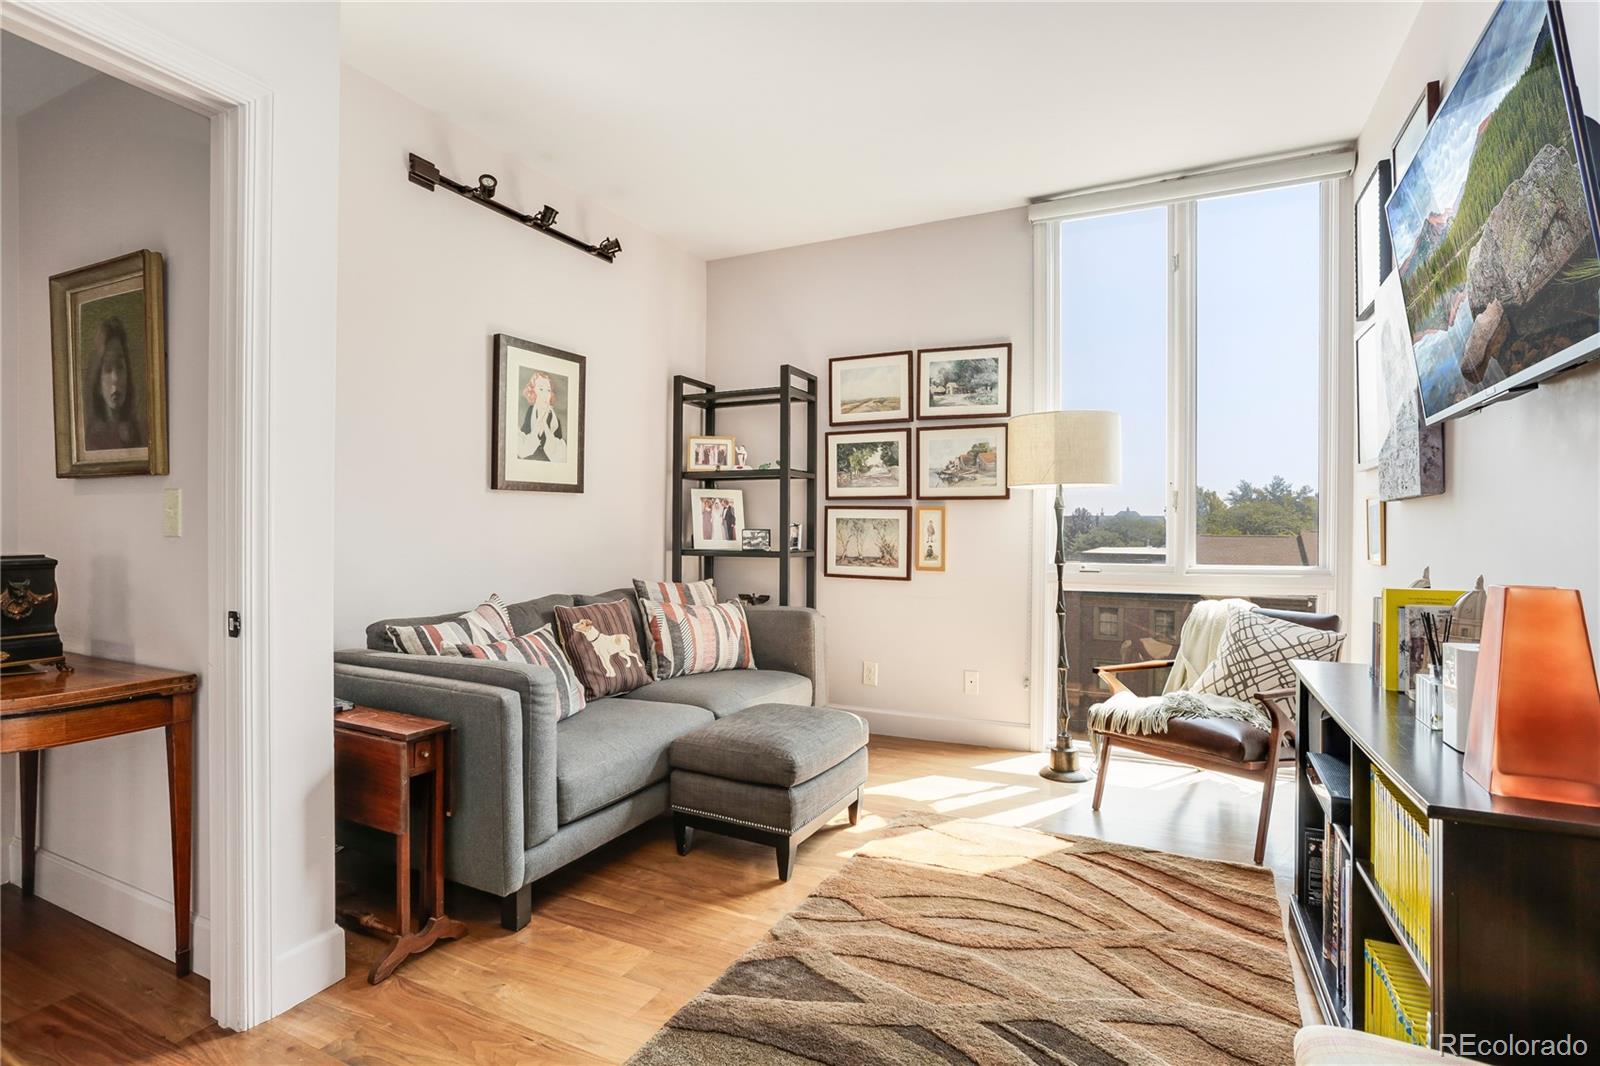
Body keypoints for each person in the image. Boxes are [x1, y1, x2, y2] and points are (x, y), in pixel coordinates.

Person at [83, 317, 145, 452]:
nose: (115, 378)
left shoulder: (136, 432)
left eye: (120, 367)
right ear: (98, 382)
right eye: (107, 369)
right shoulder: (93, 439)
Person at [518, 372, 566, 462]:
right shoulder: (531, 411)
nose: (545, 394)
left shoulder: (555, 420)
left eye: (548, 390)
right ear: (533, 391)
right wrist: (539, 424)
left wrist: (545, 426)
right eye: (541, 389)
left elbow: (559, 453)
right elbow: (524, 444)